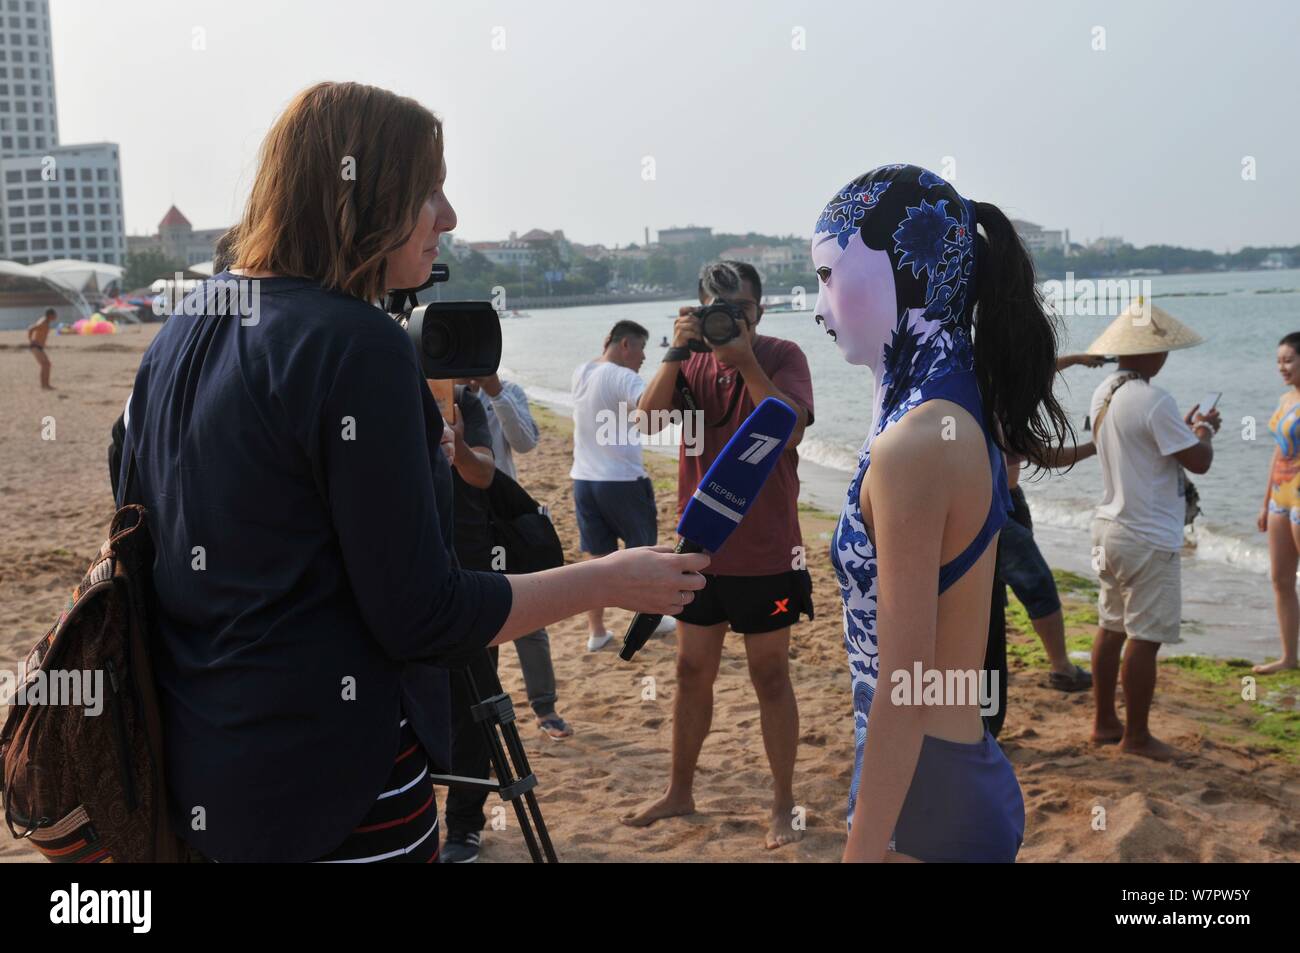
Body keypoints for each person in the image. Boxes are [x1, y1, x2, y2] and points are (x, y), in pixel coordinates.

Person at [118, 82, 708, 863]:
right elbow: (423, 613)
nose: (449, 215)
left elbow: (144, 519)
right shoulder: (357, 344)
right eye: (427, 187)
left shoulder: (185, 328)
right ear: (361, 194)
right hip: (337, 792)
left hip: (200, 770)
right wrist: (606, 578)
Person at [813, 164, 1073, 862]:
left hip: (927, 799)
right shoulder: (954, 409)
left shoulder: (918, 441)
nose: (819, 306)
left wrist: (861, 851)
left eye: (828, 276)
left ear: (900, 269)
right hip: (936, 775)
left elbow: (904, 682)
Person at [626, 260, 814, 850]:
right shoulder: (690, 363)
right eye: (719, 312)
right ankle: (680, 791)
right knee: (688, 673)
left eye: (743, 312)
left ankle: (783, 805)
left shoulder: (783, 357)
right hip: (701, 548)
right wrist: (674, 355)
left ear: (760, 310)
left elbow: (789, 432)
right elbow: (647, 421)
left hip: (767, 553)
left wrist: (746, 360)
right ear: (699, 311)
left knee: (771, 676)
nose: (732, 323)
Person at [1085, 299, 1218, 761]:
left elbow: (1140, 443)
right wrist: (1202, 431)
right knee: (1145, 636)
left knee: (1111, 626)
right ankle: (1137, 737)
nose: (1165, 358)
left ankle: (1104, 722)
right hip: (1147, 532)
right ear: (1150, 353)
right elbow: (1198, 462)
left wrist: (1185, 432)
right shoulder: (1154, 398)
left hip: (1108, 527)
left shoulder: (1106, 390)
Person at [461, 372, 572, 738]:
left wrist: (495, 391)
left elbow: (524, 442)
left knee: (529, 616)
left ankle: (545, 708)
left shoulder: (509, 391)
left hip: (502, 519)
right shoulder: (438, 396)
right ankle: (483, 728)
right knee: (473, 628)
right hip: (460, 521)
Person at [570, 320, 674, 650]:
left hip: (584, 480)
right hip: (622, 482)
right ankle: (650, 619)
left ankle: (596, 633)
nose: (644, 356)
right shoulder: (623, 376)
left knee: (596, 562)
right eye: (641, 348)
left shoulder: (582, 371)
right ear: (625, 345)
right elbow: (652, 416)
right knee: (643, 553)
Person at [1255, 332, 1300, 674]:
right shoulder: (1286, 400)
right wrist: (1265, 499)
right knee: (1280, 579)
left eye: (1289, 360)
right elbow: (1277, 450)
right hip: (1280, 499)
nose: (1282, 367)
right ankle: (1288, 658)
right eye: (1279, 362)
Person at [26, 307, 56, 389]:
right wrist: (31, 340)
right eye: (55, 315)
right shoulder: (43, 323)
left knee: (47, 365)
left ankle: (46, 385)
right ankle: (44, 386)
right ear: (50, 315)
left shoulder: (45, 321)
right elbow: (31, 328)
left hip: (39, 347)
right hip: (35, 346)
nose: (56, 316)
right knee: (45, 365)